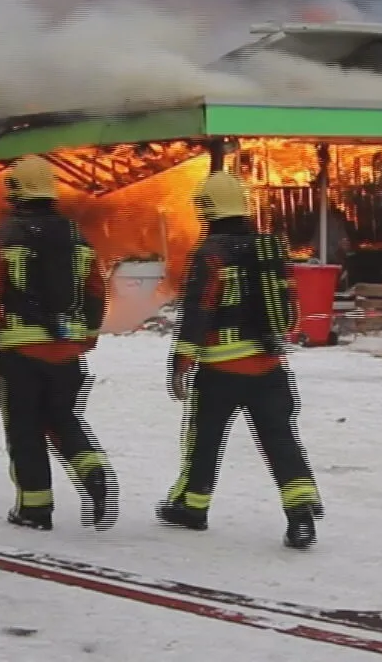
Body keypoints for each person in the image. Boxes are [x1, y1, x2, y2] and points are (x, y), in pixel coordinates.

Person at [157, 170, 324, 549]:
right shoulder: (268, 248)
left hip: (220, 369)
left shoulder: (211, 253)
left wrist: (180, 363)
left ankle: (192, 507)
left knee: (204, 440)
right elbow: (288, 306)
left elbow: (199, 310)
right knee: (281, 440)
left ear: (206, 208)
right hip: (269, 366)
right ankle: (300, 516)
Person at [0, 157, 117, 532]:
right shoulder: (76, 234)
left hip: (21, 352)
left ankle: (34, 509)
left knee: (25, 430)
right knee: (63, 419)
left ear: (14, 191)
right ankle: (92, 471)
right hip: (67, 352)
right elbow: (96, 289)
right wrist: (87, 334)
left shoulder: (5, 234)